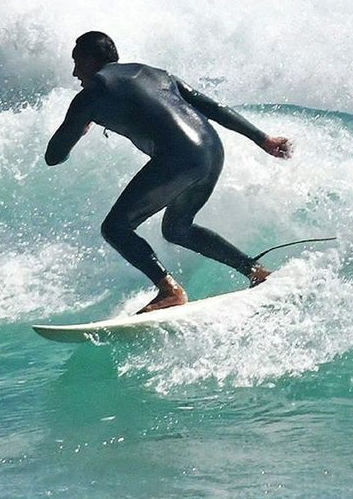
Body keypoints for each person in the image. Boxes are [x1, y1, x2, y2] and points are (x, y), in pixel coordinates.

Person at [45, 31, 292, 313]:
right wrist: (263, 139)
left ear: (90, 60)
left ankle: (169, 290)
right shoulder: (155, 73)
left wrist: (81, 126)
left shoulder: (91, 95)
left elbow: (54, 156)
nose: (75, 72)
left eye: (77, 62)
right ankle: (256, 271)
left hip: (177, 158)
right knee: (177, 228)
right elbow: (212, 107)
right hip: (211, 151)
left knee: (115, 228)